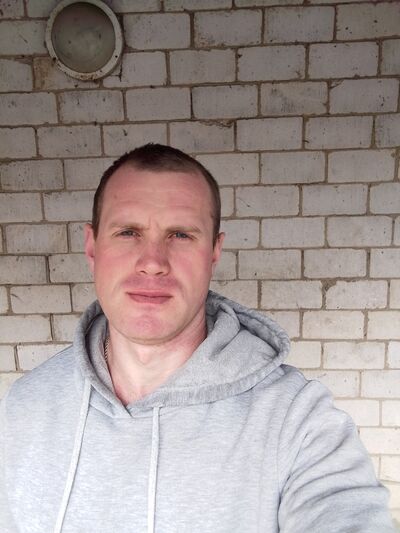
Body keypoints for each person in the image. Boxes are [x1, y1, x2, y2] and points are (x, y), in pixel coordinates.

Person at [0, 143, 395, 533]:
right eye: (128, 232)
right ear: (92, 247)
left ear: (214, 252)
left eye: (180, 235)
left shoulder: (297, 420)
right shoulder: (23, 408)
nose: (152, 263)